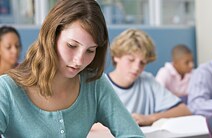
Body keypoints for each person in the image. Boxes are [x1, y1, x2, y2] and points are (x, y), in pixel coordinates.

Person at [0, 0, 143, 137]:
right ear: (51, 37)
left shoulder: (94, 84)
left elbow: (133, 135)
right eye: (72, 46)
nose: (79, 61)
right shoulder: (6, 89)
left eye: (90, 50)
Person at [107, 29, 192, 126]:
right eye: (131, 60)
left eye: (142, 62)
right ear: (116, 57)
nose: (136, 68)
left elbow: (184, 110)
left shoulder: (147, 81)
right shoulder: (99, 85)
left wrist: (150, 118)